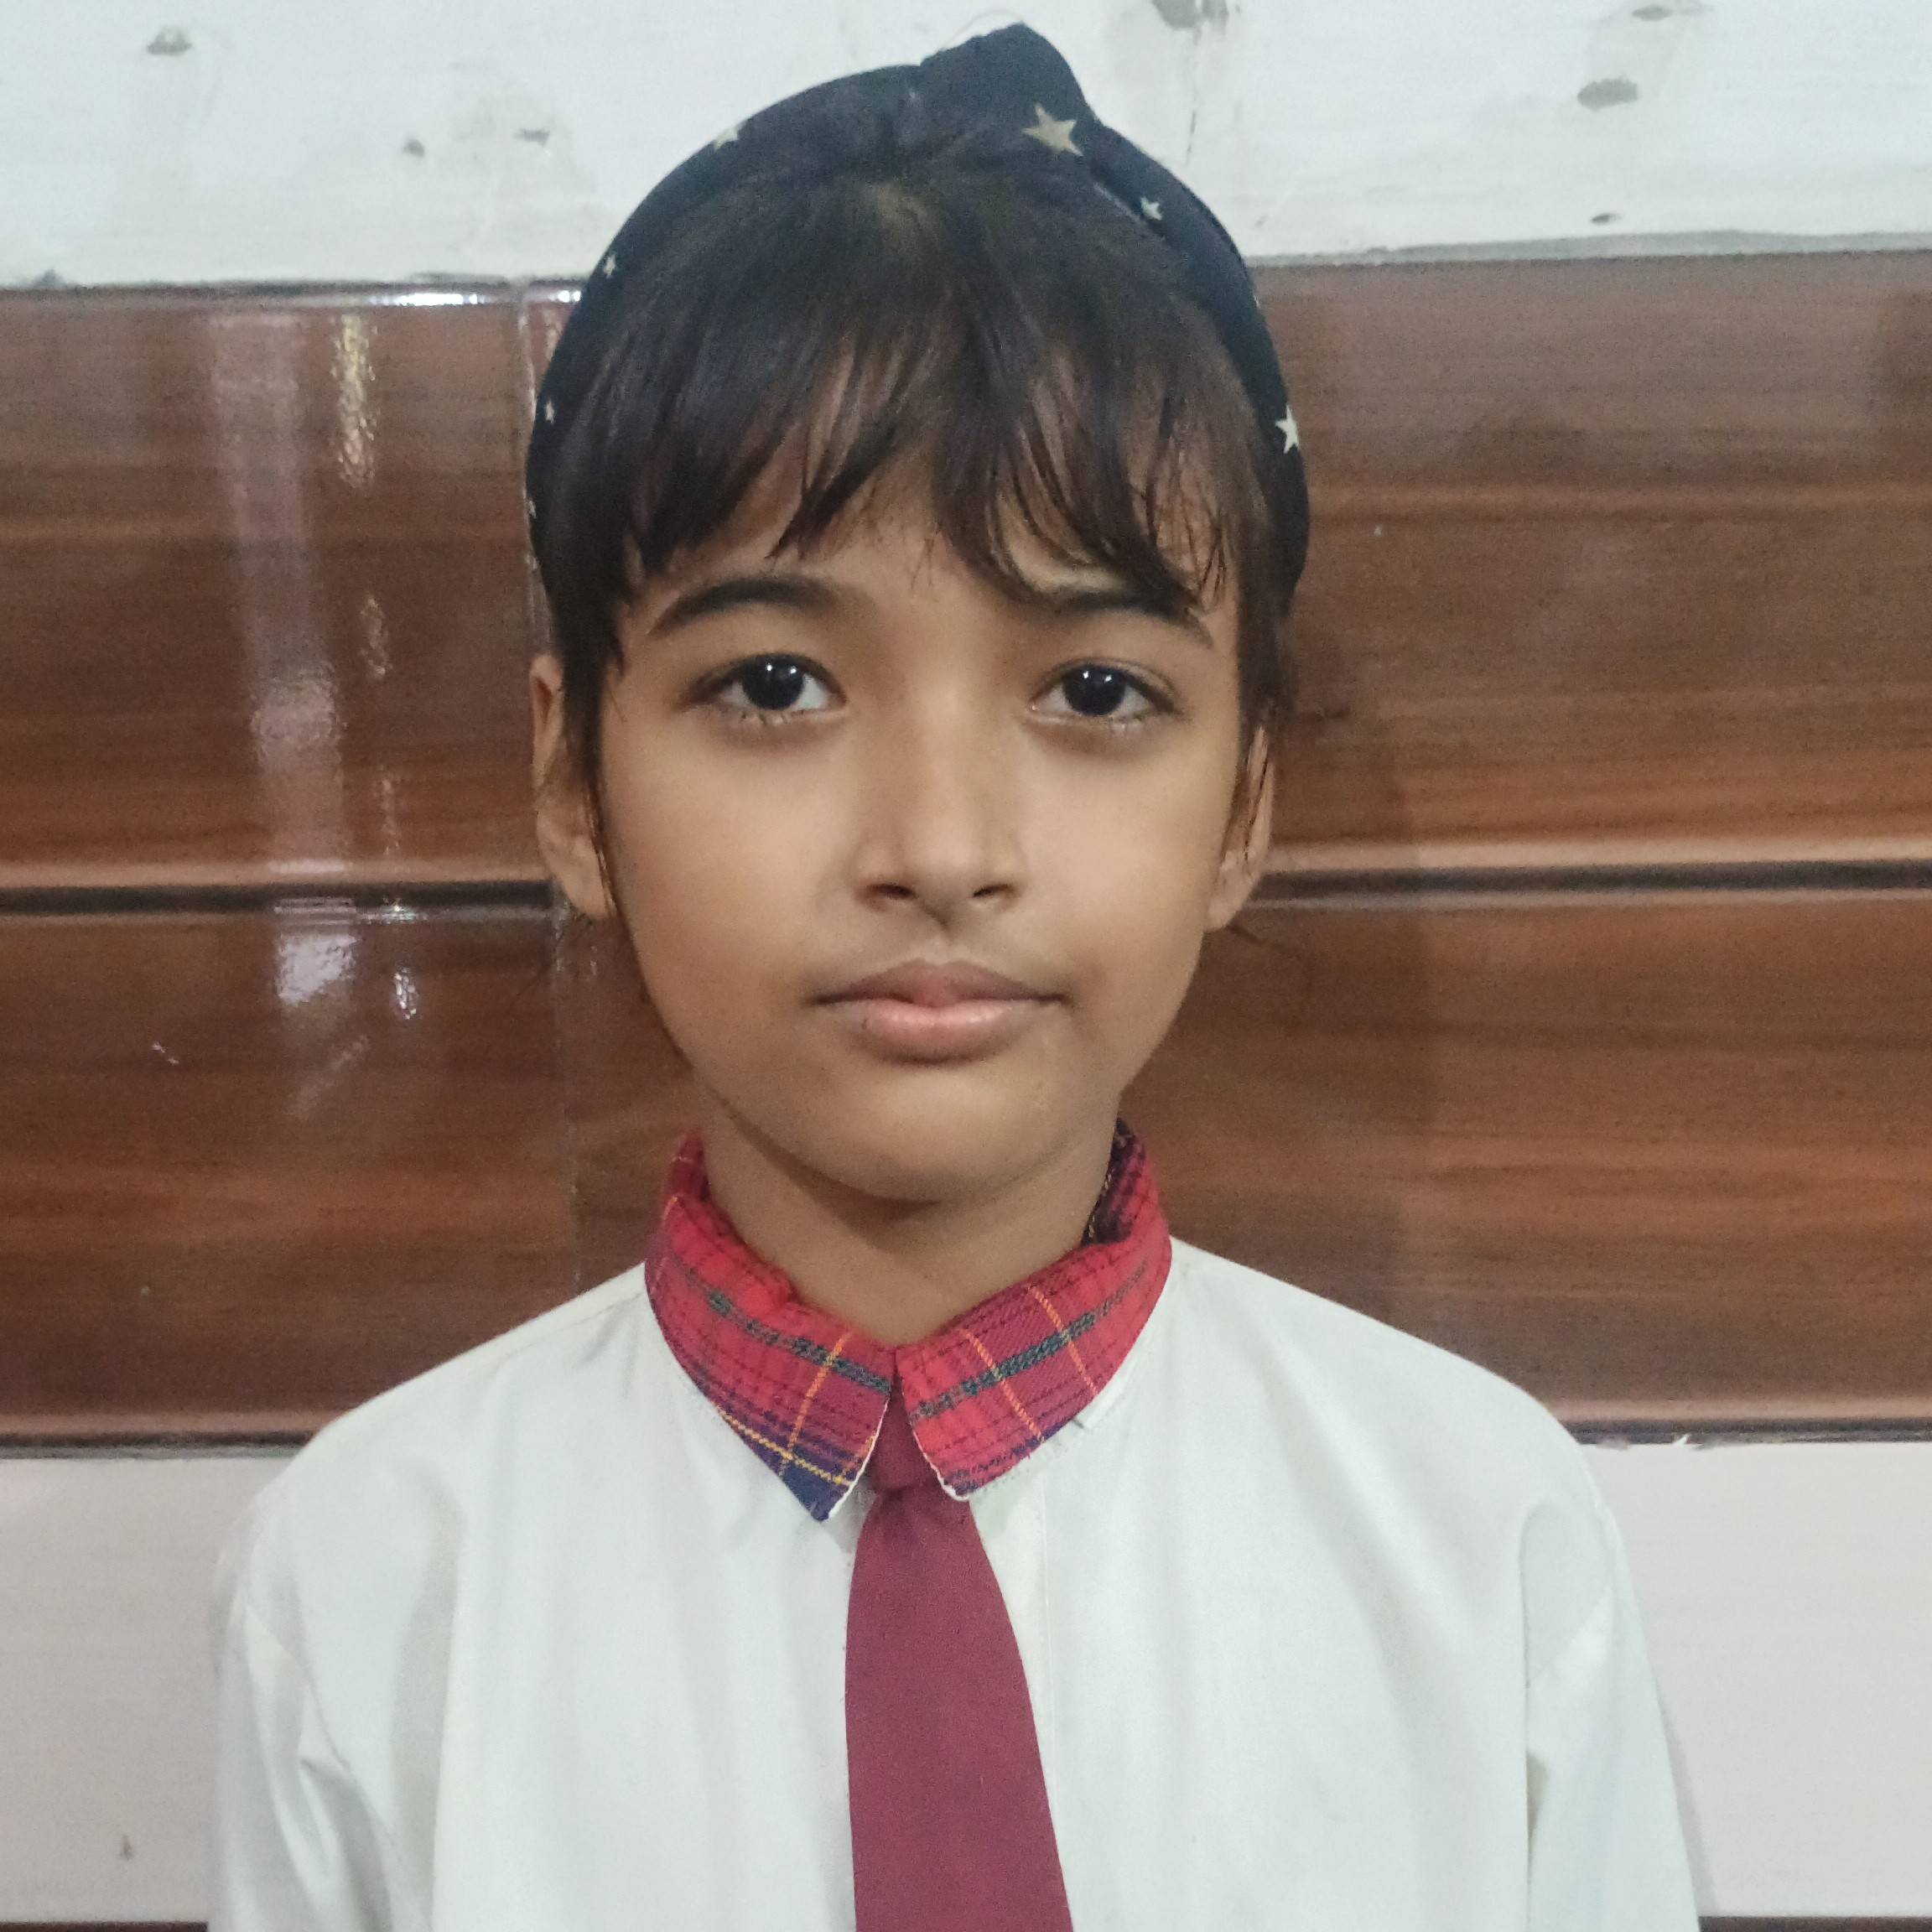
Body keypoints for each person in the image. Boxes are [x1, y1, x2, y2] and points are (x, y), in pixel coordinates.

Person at [207, 23, 1700, 1930]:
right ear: (573, 782)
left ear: (1245, 804)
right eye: (775, 683)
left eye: (1097, 690)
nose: (938, 842)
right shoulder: (365, 1591)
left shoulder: (1489, 1548)